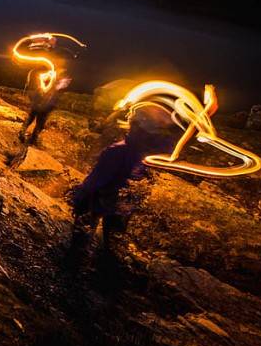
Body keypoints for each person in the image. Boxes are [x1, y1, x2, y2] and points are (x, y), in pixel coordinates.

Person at [68, 104, 180, 257]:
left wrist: (77, 195)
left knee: (82, 233)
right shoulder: (157, 153)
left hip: (100, 200)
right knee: (113, 244)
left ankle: (74, 262)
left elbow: (97, 180)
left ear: (134, 125)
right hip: (126, 205)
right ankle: (108, 268)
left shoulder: (117, 151)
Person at [18, 60, 69, 146]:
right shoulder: (42, 76)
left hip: (40, 102)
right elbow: (47, 89)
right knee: (39, 123)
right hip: (43, 104)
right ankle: (31, 139)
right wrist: (53, 80)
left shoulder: (38, 74)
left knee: (32, 118)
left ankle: (25, 134)